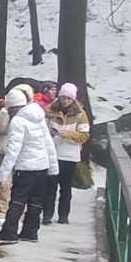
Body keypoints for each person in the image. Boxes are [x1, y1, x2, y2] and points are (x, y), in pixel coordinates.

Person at [0, 87, 55, 245]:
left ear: (12, 107)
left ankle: (9, 233)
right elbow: (48, 143)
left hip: (25, 168)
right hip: (42, 167)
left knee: (17, 201)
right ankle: (30, 232)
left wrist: (2, 174)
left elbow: (13, 150)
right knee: (36, 201)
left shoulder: (18, 121)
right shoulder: (39, 116)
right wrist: (53, 167)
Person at [46, 83, 91, 225]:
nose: (65, 101)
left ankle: (63, 216)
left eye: (68, 98)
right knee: (50, 186)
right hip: (52, 153)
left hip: (69, 155)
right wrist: (50, 133)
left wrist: (69, 134)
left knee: (65, 188)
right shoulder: (50, 111)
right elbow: (43, 128)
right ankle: (47, 215)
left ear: (73, 99)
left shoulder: (81, 114)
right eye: (63, 97)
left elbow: (84, 136)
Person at [0, 84, 29, 219]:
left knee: (12, 182)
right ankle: (3, 212)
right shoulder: (6, 113)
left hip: (18, 151)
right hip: (7, 150)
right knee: (5, 182)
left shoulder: (29, 114)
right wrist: (4, 113)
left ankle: (8, 212)